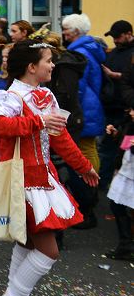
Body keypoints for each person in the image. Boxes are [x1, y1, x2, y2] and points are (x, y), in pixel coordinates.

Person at [0, 40, 98, 296]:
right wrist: (36, 121)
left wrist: (83, 166)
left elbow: (60, 138)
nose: (52, 66)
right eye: (48, 61)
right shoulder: (10, 96)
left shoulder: (46, 95)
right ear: (31, 67)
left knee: (28, 244)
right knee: (49, 251)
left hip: (44, 178)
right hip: (22, 179)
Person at [61, 13, 105, 186]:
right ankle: (92, 184)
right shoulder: (89, 48)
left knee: (86, 147)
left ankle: (91, 184)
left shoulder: (78, 52)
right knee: (89, 146)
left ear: (76, 31)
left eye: (66, 30)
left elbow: (77, 84)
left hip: (85, 105)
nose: (63, 33)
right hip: (91, 102)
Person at [99, 20, 134, 189]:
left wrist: (116, 76)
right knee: (107, 150)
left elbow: (128, 80)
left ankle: (121, 189)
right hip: (111, 109)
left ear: (129, 34)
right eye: (113, 37)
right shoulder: (113, 53)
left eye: (118, 37)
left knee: (125, 151)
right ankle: (104, 186)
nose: (115, 40)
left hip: (127, 113)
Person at [104, 110, 134, 261]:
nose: (131, 112)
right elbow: (127, 143)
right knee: (116, 204)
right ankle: (125, 245)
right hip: (127, 168)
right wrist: (117, 134)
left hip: (130, 170)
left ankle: (126, 245)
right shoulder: (130, 122)